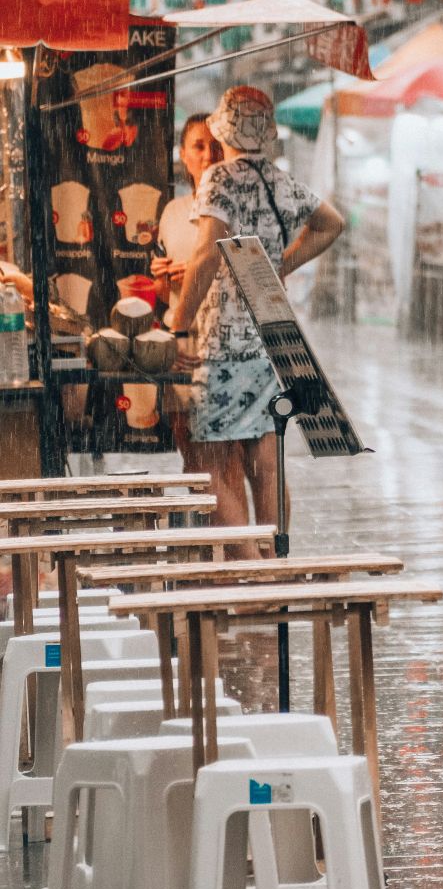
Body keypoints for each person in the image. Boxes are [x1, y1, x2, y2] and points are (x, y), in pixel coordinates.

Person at [170, 86, 344, 552]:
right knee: (268, 460)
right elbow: (331, 223)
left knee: (207, 461)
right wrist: (281, 263)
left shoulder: (218, 178)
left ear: (222, 131)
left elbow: (207, 254)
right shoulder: (280, 180)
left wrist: (178, 324)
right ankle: (273, 558)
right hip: (271, 334)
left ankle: (250, 565)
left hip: (223, 340)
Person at [151, 114, 222, 457]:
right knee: (189, 450)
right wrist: (162, 278)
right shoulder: (171, 211)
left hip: (218, 341)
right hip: (179, 344)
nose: (208, 154)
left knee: (223, 456)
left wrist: (200, 274)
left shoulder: (230, 210)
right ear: (183, 154)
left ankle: (222, 511)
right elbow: (164, 297)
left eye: (215, 145)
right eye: (199, 146)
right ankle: (199, 512)